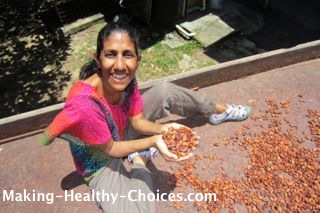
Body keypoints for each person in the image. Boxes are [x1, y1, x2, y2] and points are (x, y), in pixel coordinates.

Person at [40, 22, 251, 213]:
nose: (120, 65)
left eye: (128, 55)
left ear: (137, 59)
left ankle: (220, 110)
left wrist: (166, 130)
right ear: (98, 58)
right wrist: (152, 142)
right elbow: (112, 149)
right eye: (111, 54)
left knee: (164, 90)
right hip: (100, 161)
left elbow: (137, 121)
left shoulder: (125, 79)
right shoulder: (84, 102)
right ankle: (140, 157)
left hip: (122, 132)